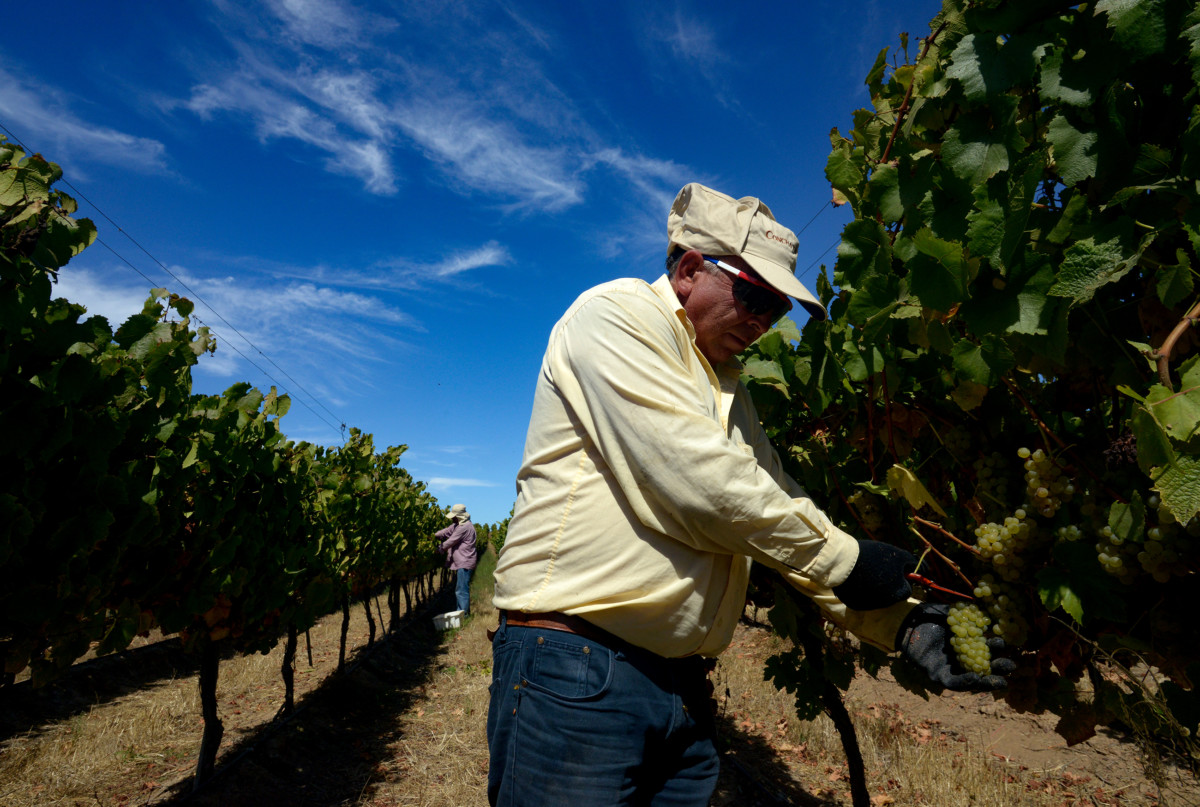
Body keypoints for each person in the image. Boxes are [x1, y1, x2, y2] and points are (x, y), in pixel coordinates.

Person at [486, 182, 1013, 807]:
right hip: (575, 671)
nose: (764, 321)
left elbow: (778, 505)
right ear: (689, 269)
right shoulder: (614, 315)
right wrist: (845, 560)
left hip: (682, 688)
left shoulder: (729, 390)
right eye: (755, 296)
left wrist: (902, 625)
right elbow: (697, 481)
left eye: (779, 309)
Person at [435, 503, 477, 614]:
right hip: (462, 561)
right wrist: (434, 535)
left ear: (459, 516)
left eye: (454, 516)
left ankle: (463, 615)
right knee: (460, 588)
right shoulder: (457, 525)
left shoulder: (464, 527)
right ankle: (463, 612)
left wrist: (439, 549)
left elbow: (450, 541)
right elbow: (446, 531)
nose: (452, 518)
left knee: (461, 590)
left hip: (465, 561)